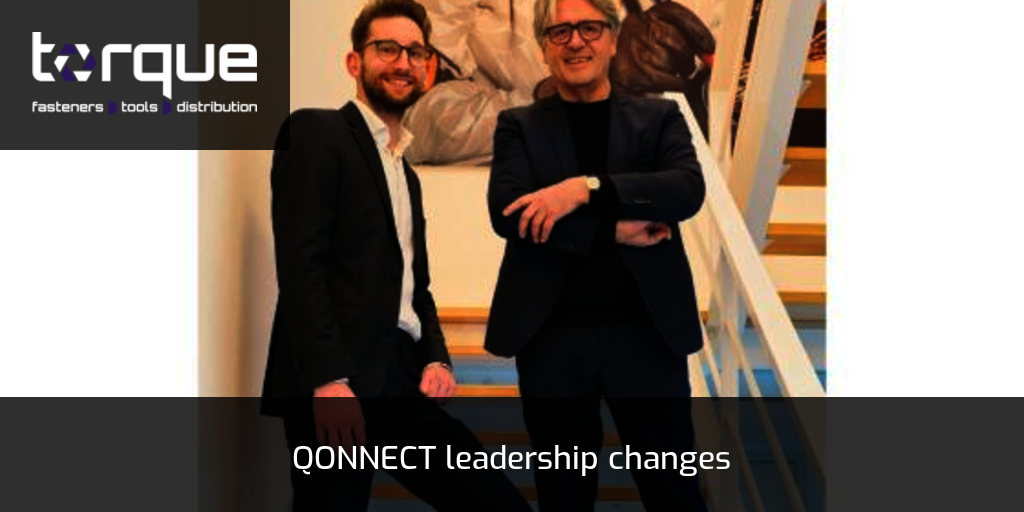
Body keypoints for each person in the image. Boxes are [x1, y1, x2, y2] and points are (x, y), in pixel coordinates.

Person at [261, 1, 530, 510]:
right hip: (339, 376)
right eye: (386, 48)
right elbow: (301, 266)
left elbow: (414, 284)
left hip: (400, 379)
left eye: (415, 53)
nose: (402, 62)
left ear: (428, 68)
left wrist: (435, 356)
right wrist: (328, 380)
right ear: (354, 62)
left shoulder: (404, 170)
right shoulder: (316, 132)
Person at [485, 0, 708, 510]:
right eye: (559, 32)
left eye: (588, 28)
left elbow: (685, 190)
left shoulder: (659, 116)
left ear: (612, 38)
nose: (575, 42)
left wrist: (582, 189)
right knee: (564, 497)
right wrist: (611, 231)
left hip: (648, 337)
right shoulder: (517, 125)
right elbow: (508, 213)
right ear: (544, 48)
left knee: (674, 493)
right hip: (552, 341)